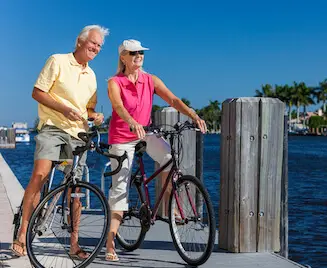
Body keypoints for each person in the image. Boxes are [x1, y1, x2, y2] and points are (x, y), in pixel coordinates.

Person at [10, 25, 109, 259]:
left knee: (75, 190)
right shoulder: (57, 60)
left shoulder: (92, 75)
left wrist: (94, 115)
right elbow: (37, 92)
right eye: (93, 43)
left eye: (99, 46)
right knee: (40, 175)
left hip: (78, 134)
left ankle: (74, 244)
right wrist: (64, 109)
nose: (96, 48)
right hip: (53, 128)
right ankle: (22, 232)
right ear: (80, 42)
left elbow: (89, 108)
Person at [105, 39, 207, 261]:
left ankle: (170, 205)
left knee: (170, 158)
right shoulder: (115, 82)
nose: (138, 56)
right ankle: (110, 243)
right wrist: (131, 121)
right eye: (133, 53)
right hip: (122, 138)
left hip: (145, 134)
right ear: (123, 57)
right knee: (120, 188)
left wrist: (194, 116)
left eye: (141, 52)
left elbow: (172, 98)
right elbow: (118, 106)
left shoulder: (150, 80)